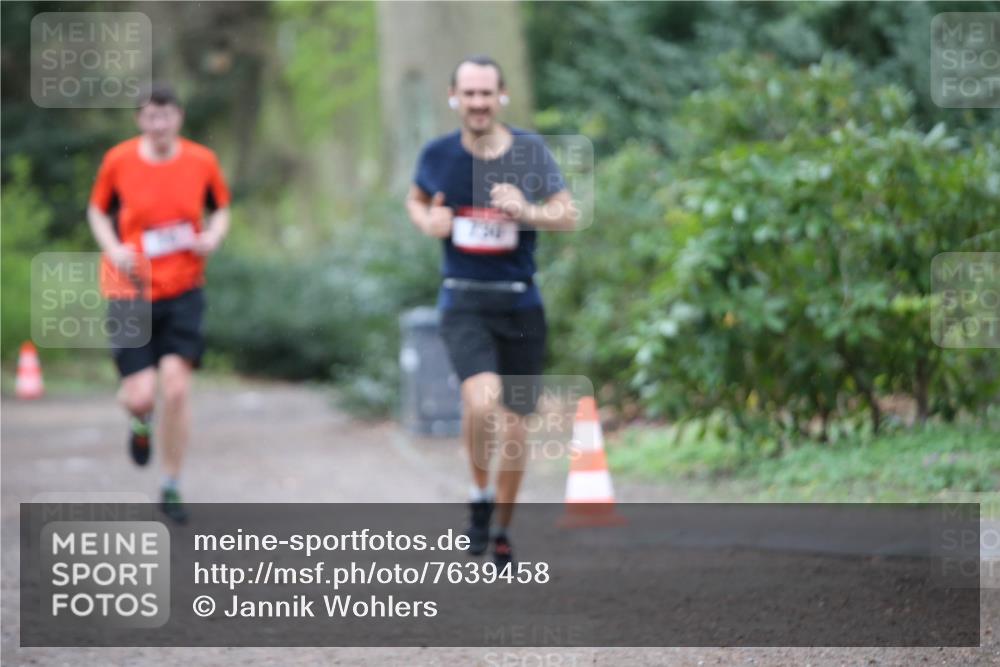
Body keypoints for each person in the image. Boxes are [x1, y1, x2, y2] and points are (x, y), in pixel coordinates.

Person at [406, 56, 577, 566]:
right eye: (469, 94)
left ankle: (501, 527)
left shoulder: (529, 151)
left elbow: (568, 214)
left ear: (502, 96)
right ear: (453, 97)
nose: (478, 103)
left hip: (520, 303)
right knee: (481, 402)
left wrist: (526, 210)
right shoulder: (438, 154)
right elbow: (416, 200)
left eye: (486, 93)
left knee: (517, 428)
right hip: (463, 300)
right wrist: (428, 222)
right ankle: (479, 497)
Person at [87, 84, 231, 523]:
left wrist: (213, 236)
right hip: (130, 289)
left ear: (179, 117)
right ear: (139, 120)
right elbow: (97, 211)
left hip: (184, 288)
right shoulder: (119, 161)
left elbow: (221, 209)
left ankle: (171, 484)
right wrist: (113, 248)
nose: (159, 125)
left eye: (166, 116)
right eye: (150, 116)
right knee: (141, 395)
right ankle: (139, 419)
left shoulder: (202, 161)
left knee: (177, 389)